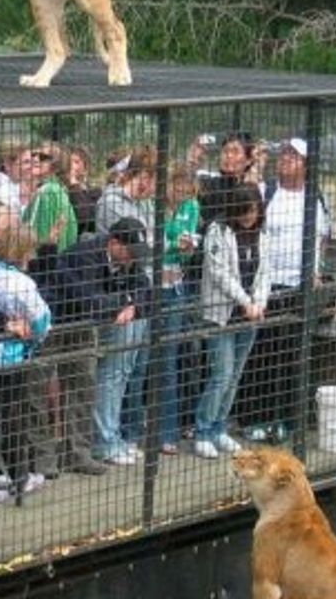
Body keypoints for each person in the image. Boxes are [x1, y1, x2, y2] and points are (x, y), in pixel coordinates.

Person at [237, 137, 331, 440]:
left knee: (292, 355)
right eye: (285, 154)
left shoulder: (315, 197)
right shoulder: (267, 192)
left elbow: (321, 238)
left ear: (306, 163)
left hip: (299, 287)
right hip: (267, 286)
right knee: (262, 354)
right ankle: (255, 419)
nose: (287, 158)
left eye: (295, 155)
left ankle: (285, 420)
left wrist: (316, 271)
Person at [58, 218, 152, 466]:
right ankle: (104, 442)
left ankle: (112, 437)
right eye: (130, 251)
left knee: (121, 373)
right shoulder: (85, 255)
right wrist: (126, 300)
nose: (133, 258)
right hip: (68, 326)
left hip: (106, 324)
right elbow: (91, 302)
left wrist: (133, 306)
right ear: (113, 243)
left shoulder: (128, 260)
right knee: (106, 377)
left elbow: (146, 289)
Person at [121, 164, 201, 454]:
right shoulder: (149, 207)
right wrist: (170, 242)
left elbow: (187, 247)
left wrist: (187, 247)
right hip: (148, 289)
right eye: (178, 187)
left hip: (174, 288)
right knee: (138, 363)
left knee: (168, 362)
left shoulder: (191, 207)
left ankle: (166, 432)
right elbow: (149, 244)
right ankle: (129, 430)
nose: (181, 194)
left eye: (187, 190)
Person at [195, 182, 270, 459]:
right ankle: (202, 430)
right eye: (245, 210)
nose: (250, 216)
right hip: (221, 316)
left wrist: (259, 302)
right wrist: (245, 301)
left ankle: (219, 427)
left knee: (235, 375)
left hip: (250, 316)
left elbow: (265, 272)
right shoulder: (218, 231)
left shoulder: (262, 234)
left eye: (254, 210)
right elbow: (219, 273)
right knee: (221, 374)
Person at [0, 225, 52, 502]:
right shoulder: (21, 283)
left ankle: (3, 474)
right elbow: (41, 320)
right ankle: (3, 479)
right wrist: (34, 334)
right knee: (7, 418)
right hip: (11, 357)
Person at [96, 147, 157, 246]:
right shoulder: (111, 204)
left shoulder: (145, 202)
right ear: (146, 177)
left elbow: (161, 239)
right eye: (157, 181)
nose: (156, 189)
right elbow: (132, 246)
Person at [24, 143, 79, 252]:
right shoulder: (58, 189)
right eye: (34, 154)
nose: (35, 159)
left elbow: (39, 237)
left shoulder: (46, 192)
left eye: (43, 157)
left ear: (56, 164)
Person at [66, 144, 101, 236]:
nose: (71, 166)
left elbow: (84, 217)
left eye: (76, 162)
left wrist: (74, 184)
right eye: (69, 162)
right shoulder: (61, 190)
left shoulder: (95, 191)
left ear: (85, 167)